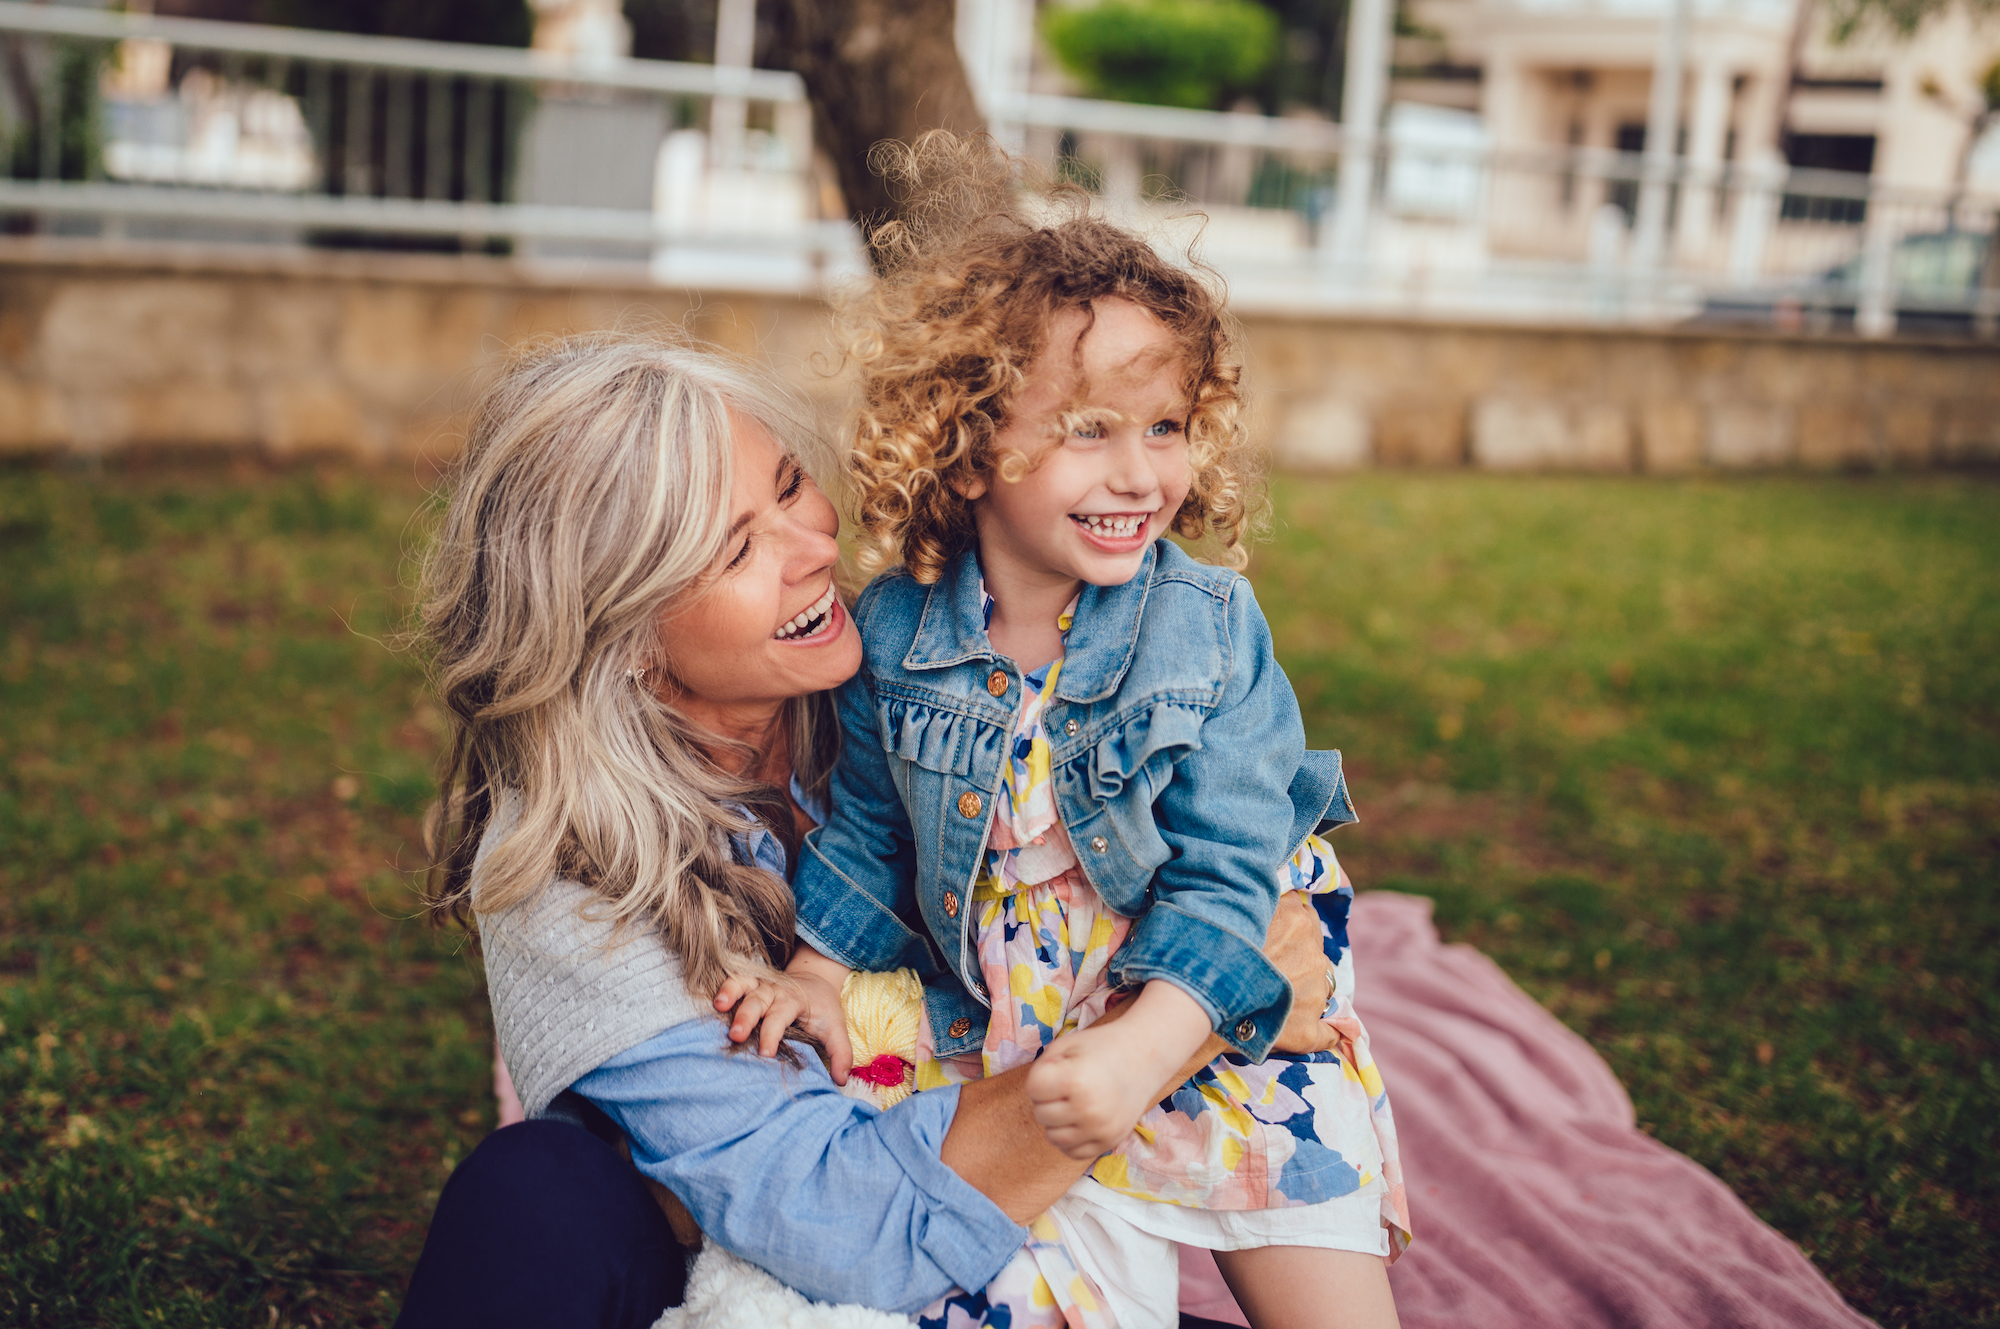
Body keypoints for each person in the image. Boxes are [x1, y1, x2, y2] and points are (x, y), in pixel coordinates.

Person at [394, 331, 1342, 1329]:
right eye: (736, 548)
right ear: (621, 631)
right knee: (533, 1196)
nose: (815, 548)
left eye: (792, 485)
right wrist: (1184, 1024)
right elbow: (846, 1224)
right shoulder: (566, 871)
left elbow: (1211, 851)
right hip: (785, 1277)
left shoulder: (918, 688)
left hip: (1014, 1241)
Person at [717, 137, 1411, 1329]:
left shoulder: (1206, 629)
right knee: (1016, 1288)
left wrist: (1154, 1045)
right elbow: (871, 831)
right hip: (1014, 1023)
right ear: (973, 436)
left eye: (1166, 426)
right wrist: (820, 975)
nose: (1140, 472)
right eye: (1088, 428)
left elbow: (1232, 866)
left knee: (1330, 1306)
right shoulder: (892, 635)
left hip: (1213, 1000)